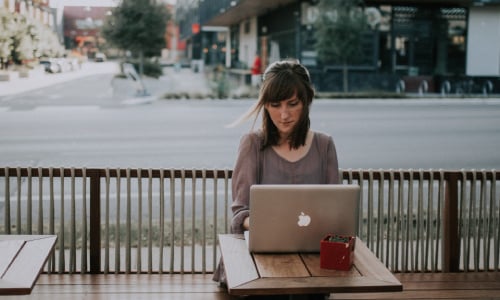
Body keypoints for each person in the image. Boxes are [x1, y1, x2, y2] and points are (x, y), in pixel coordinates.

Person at [214, 59, 340, 299]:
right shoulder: (252, 144)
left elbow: (335, 209)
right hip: (258, 263)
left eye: (293, 104)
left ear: (307, 101)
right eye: (275, 104)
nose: (284, 115)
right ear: (265, 105)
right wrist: (279, 227)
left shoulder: (324, 145)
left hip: (311, 260)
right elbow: (240, 215)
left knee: (308, 292)